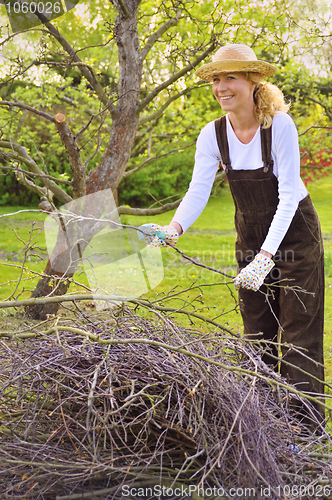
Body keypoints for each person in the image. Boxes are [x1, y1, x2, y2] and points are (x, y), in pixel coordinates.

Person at [139, 44, 325, 430]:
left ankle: (304, 430)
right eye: (217, 79)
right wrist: (174, 229)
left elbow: (289, 193)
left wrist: (266, 257)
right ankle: (264, 426)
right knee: (256, 333)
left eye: (231, 78)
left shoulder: (279, 126)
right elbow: (198, 189)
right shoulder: (213, 134)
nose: (221, 87)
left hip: (295, 239)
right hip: (250, 239)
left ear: (253, 81)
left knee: (297, 333)